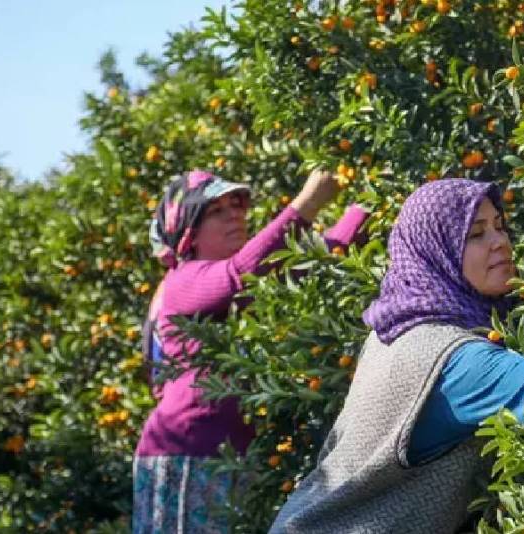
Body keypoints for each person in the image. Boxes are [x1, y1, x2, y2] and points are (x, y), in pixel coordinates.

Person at [269, 178, 524, 534]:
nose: (499, 241)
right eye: (475, 234)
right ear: (436, 250)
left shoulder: (395, 326)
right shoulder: (453, 360)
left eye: (499, 226)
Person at [133, 169, 367, 534]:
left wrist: (367, 203)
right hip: (190, 455)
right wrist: (306, 204)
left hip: (240, 459)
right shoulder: (184, 280)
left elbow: (322, 255)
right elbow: (239, 273)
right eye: (216, 210)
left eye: (237, 205)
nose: (234, 215)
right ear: (188, 233)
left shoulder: (251, 281)